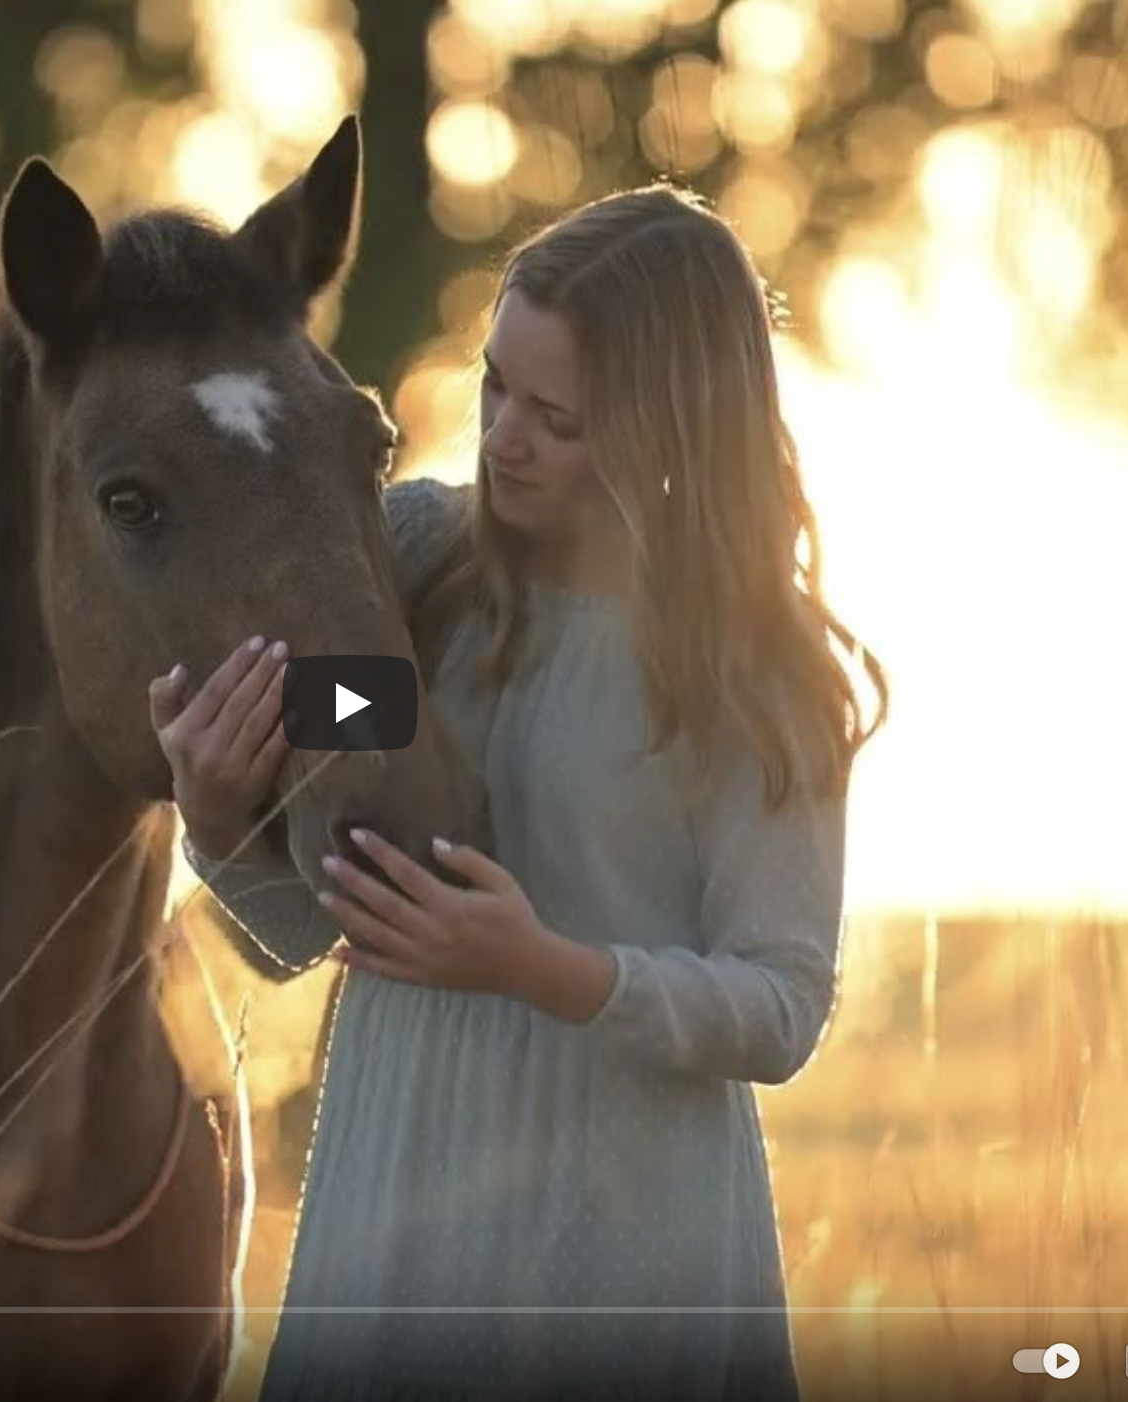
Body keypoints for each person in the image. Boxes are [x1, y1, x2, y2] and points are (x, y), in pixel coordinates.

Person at [147, 184, 887, 1401]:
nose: (503, 438)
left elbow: (780, 1004)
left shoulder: (743, 674)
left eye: (560, 419)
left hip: (629, 1252)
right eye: (495, 387)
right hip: (394, 1211)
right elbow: (306, 926)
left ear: (673, 430)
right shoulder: (420, 583)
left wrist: (544, 966)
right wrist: (219, 807)